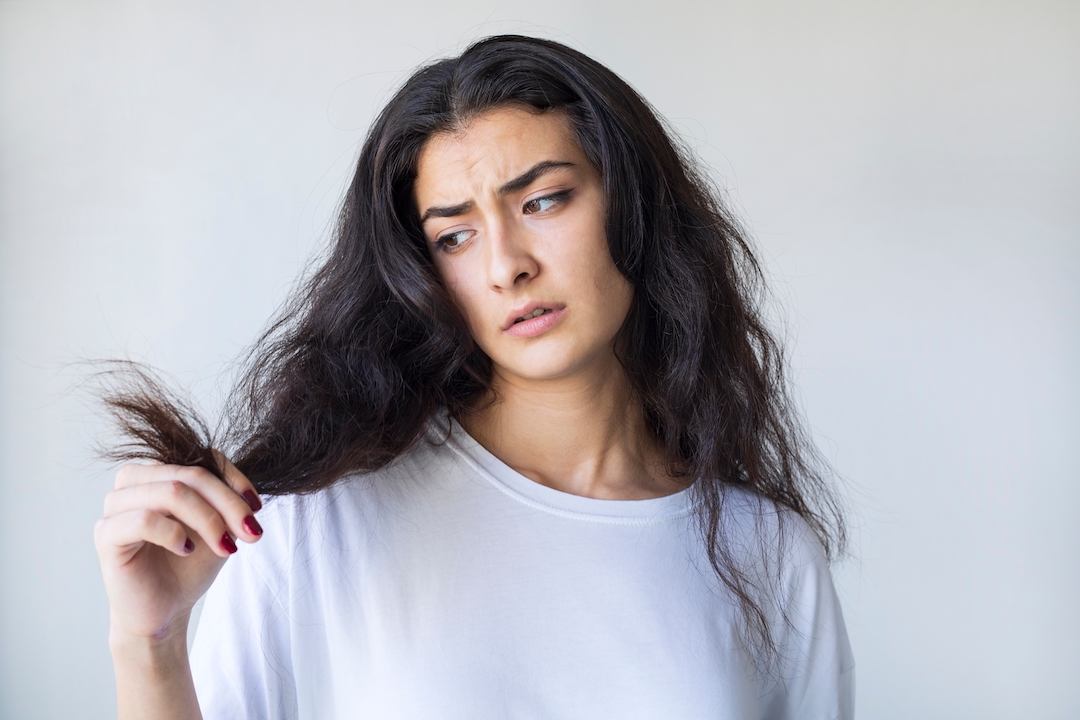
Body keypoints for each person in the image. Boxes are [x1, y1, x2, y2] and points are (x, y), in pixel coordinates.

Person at [93, 35, 854, 719]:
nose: (506, 265)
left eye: (545, 199)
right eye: (454, 235)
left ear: (637, 206)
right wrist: (148, 642)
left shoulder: (770, 555)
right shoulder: (309, 526)